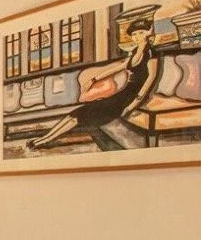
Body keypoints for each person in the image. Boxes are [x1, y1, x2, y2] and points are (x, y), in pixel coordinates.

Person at [27, 17, 160, 150]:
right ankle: (43, 139)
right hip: (122, 95)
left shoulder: (151, 53)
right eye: (134, 34)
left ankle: (44, 141)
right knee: (75, 113)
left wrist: (133, 105)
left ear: (149, 33)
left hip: (131, 96)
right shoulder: (137, 52)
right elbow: (118, 68)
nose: (137, 37)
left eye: (141, 33)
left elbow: (151, 79)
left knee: (79, 117)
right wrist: (93, 80)